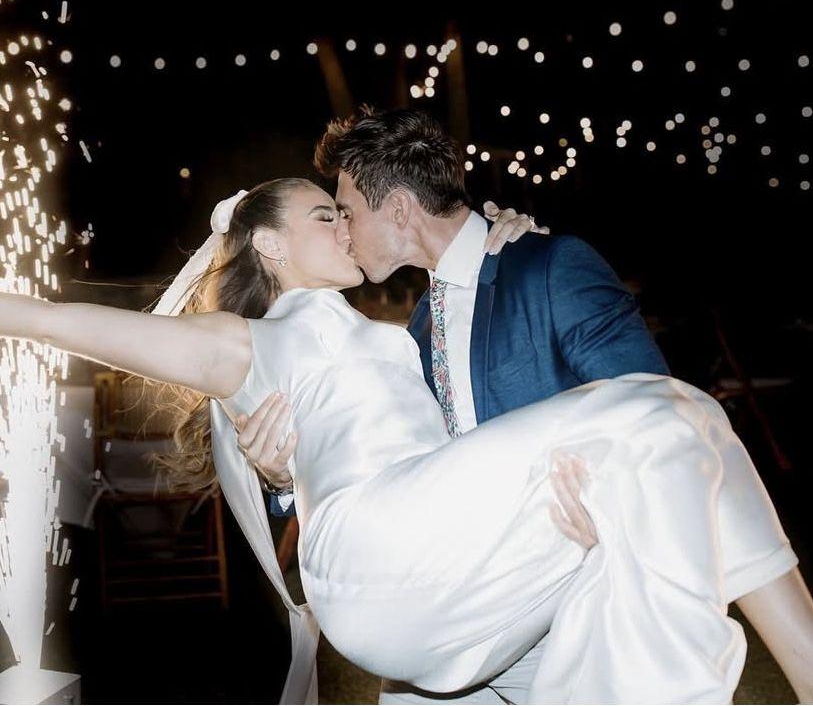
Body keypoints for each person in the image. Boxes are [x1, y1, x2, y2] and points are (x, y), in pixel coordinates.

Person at [0, 178, 813, 704]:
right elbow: (59, 323)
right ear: (266, 244)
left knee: (674, 466)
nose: (346, 226)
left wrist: (498, 237)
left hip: (445, 578)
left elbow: (476, 419)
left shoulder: (399, 329)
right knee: (668, 410)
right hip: (375, 550)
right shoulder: (244, 342)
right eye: (323, 215)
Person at [234, 107, 669, 704]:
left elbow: (656, 409)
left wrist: (608, 514)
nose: (343, 233)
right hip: (450, 606)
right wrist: (283, 477)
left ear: (399, 210)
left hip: (569, 597)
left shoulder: (545, 267)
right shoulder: (410, 334)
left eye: (347, 213)